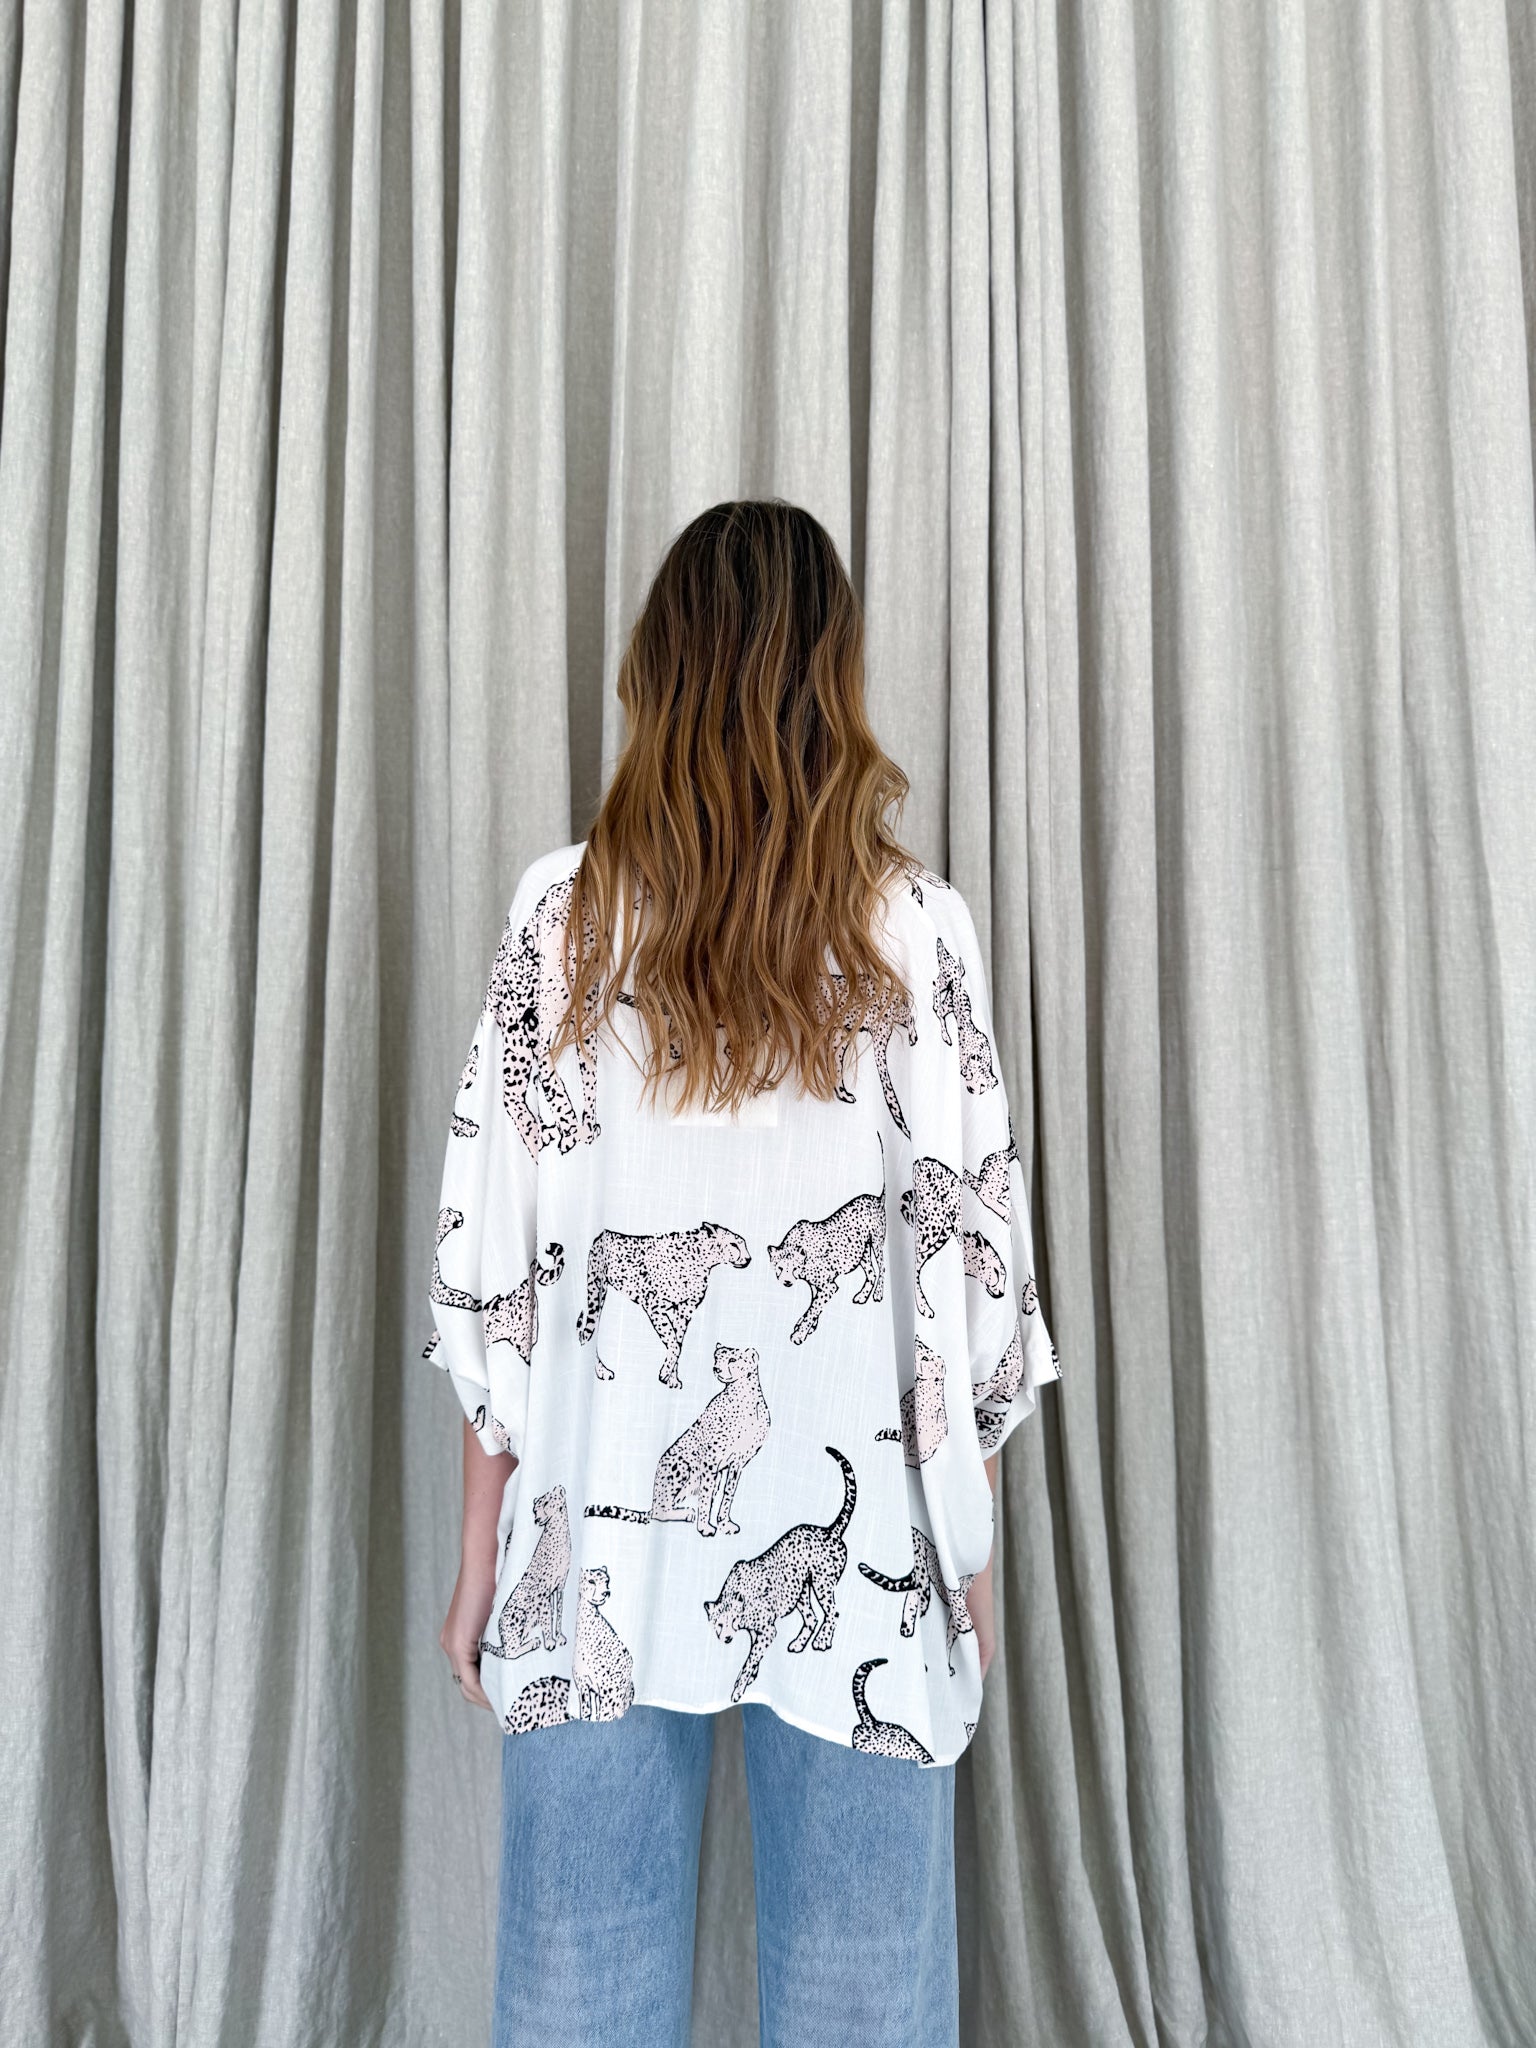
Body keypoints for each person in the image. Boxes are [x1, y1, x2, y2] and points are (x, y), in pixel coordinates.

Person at [423, 499, 1060, 2048]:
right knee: (865, 2007)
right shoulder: (916, 932)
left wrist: (482, 1549)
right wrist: (967, 1561)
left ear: (657, 672)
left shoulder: (565, 920)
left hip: (590, 1534)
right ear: (834, 682)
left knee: (577, 1997)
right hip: (873, 1548)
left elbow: (492, 1273)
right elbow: (974, 1282)